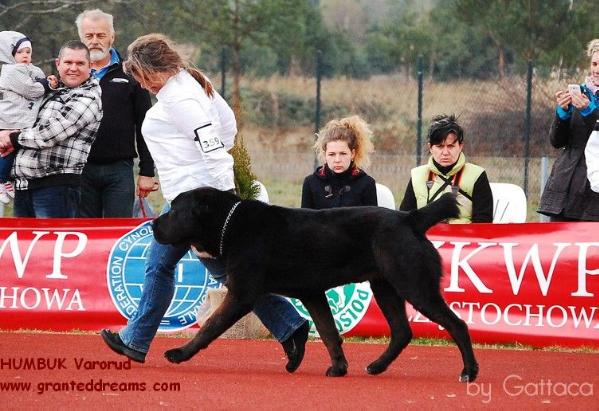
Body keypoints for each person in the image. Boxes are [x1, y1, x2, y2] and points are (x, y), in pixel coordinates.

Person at [100, 34, 309, 371]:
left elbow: (212, 146)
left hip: (196, 204)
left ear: (151, 71)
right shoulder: (194, 81)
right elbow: (227, 127)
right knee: (226, 271)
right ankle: (291, 325)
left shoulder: (179, 99)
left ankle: (135, 340)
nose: (139, 85)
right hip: (194, 197)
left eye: (139, 77)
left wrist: (225, 198)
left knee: (160, 265)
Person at [0, 40, 102, 218]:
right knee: (25, 246)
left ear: (90, 66)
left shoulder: (88, 97)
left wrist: (13, 138)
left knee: (52, 245)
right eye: (68, 62)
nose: (73, 68)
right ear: (58, 63)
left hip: (56, 188)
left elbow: (49, 134)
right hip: (24, 185)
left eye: (80, 63)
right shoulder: (49, 91)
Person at [75, 9, 157, 217]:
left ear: (112, 37)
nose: (94, 41)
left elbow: (145, 125)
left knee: (118, 230)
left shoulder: (131, 74)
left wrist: (147, 171)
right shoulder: (71, 74)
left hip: (119, 170)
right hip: (78, 169)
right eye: (89, 35)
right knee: (84, 234)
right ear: (80, 37)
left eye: (101, 35)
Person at [538, 38, 599, 221]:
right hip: (566, 184)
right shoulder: (578, 92)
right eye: (594, 63)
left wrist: (590, 112)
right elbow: (557, 141)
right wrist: (562, 113)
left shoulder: (586, 102)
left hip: (594, 188)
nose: (597, 69)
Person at [399, 114, 493, 223]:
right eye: (439, 146)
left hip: (463, 238)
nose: (445, 153)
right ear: (430, 148)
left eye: (451, 146)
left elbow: (483, 222)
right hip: (425, 238)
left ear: (460, 146)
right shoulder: (417, 176)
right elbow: (405, 220)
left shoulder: (477, 175)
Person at [0, 31, 58, 204]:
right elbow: (32, 91)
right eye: (20, 52)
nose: (25, 55)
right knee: (7, 151)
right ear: (10, 54)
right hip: (10, 119)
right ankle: (1, 180)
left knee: (17, 150)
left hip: (23, 120)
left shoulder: (32, 69)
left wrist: (51, 82)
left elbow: (42, 85)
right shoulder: (10, 71)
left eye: (28, 52)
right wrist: (46, 84)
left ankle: (8, 179)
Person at [301, 115, 377, 209]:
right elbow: (305, 221)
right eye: (332, 154)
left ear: (352, 154)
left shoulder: (367, 183)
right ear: (325, 155)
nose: (337, 160)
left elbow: (373, 222)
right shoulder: (311, 183)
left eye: (343, 154)